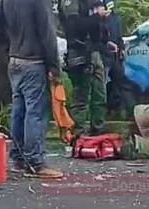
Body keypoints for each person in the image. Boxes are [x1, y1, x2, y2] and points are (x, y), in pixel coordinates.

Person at [0, 0, 63, 178]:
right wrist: (54, 66)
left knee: (19, 110)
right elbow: (47, 33)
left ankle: (18, 158)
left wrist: (8, 39)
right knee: (35, 112)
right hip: (33, 61)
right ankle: (35, 162)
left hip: (14, 58)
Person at [58, 0, 111, 136]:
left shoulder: (91, 2)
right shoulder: (71, 3)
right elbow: (74, 27)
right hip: (78, 53)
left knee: (100, 94)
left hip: (95, 51)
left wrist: (104, 40)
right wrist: (96, 16)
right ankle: (77, 133)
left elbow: (93, 28)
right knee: (81, 96)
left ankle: (97, 129)